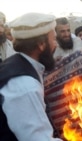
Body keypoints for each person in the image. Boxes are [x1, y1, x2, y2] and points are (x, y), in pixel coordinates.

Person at [0, 12, 62, 141]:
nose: (56, 45)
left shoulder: (18, 64)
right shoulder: (25, 86)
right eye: (53, 39)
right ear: (41, 44)